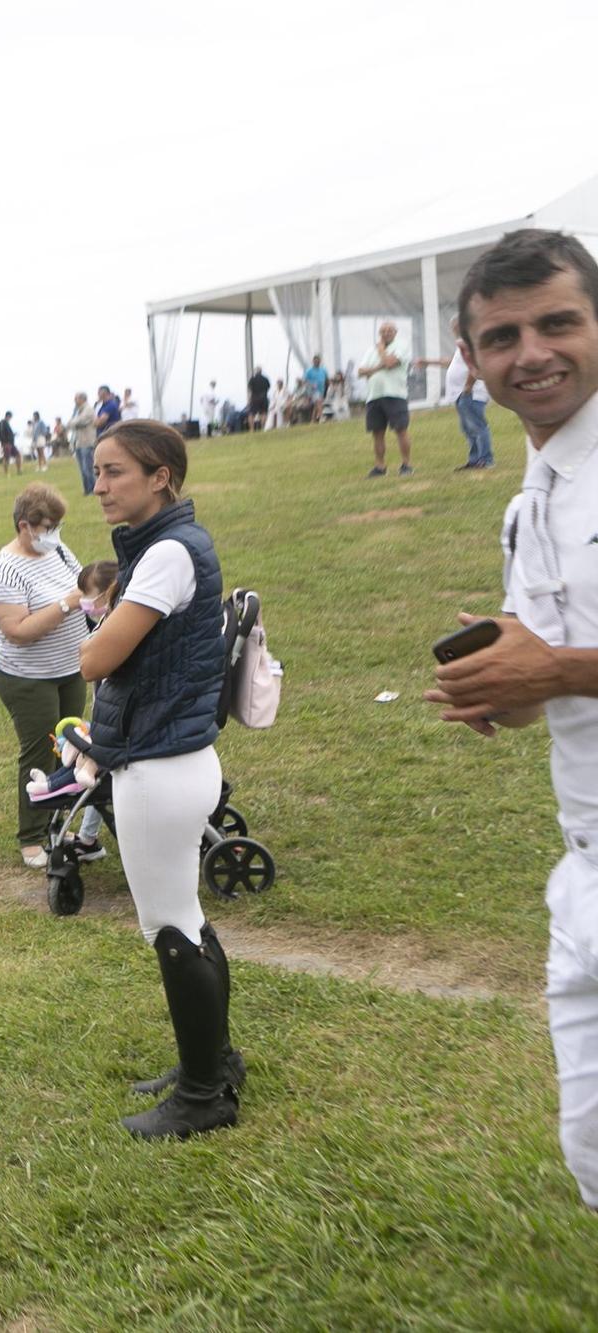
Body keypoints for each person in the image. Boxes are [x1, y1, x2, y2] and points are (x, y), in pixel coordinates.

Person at [427, 228, 598, 1208]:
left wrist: (555, 665)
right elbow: (551, 678)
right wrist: (506, 682)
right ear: (470, 356)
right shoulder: (525, 501)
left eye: (556, 322)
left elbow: (565, 665)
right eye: (500, 335)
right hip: (577, 873)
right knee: (587, 1157)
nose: (528, 352)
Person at [79, 421, 241, 1140]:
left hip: (159, 766)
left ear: (161, 477)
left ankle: (203, 1097)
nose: (100, 486)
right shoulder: (167, 547)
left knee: (171, 928)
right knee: (189, 918)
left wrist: (92, 630)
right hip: (176, 759)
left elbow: (96, 658)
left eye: (114, 471)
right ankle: (215, 1062)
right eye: (97, 471)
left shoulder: (169, 552)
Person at [0, 483, 103, 869]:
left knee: (70, 747)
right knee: (39, 749)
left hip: (69, 668)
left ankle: (59, 823)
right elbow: (18, 632)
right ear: (24, 525)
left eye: (57, 526)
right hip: (27, 676)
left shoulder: (59, 550)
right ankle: (32, 838)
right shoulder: (5, 569)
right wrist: (68, 603)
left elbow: (82, 583)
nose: (54, 534)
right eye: (47, 527)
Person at [418, 314, 497, 471]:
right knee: (468, 429)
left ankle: (486, 459)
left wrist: (468, 386)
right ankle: (475, 460)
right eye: (453, 326)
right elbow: (451, 362)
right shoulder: (462, 345)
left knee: (477, 426)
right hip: (461, 394)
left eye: (456, 325)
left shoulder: (470, 342)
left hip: (471, 393)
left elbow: (476, 364)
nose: (454, 328)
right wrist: (428, 362)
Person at [359, 320, 415, 476]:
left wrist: (382, 350)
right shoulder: (371, 350)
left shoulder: (402, 346)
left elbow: (390, 363)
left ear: (395, 332)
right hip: (374, 396)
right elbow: (360, 371)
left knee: (401, 429)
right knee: (377, 432)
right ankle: (380, 466)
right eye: (383, 331)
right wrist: (378, 366)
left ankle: (406, 464)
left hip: (394, 394)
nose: (386, 333)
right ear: (379, 333)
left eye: (390, 330)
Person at [69, 391, 99, 496]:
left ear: (82, 399)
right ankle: (87, 490)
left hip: (87, 442)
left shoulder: (88, 409)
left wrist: (74, 422)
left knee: (88, 468)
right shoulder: (77, 411)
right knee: (82, 469)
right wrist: (74, 422)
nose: (74, 401)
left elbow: (79, 421)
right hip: (79, 443)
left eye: (76, 398)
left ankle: (94, 489)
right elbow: (71, 422)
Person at [246, 367, 270, 431]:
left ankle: (252, 429)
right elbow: (268, 388)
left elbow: (249, 388)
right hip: (264, 398)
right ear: (261, 371)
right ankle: (263, 428)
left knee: (251, 414)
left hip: (254, 398)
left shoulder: (252, 379)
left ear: (255, 372)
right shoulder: (266, 379)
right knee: (264, 413)